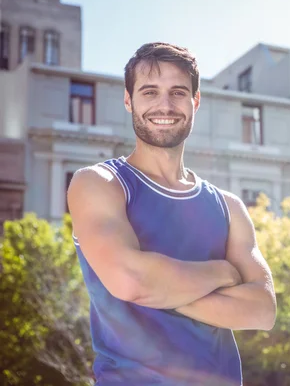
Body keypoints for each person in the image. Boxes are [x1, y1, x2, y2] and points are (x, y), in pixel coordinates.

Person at [67, 42, 277, 386]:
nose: (164, 105)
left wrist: (162, 290)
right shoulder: (99, 183)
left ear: (195, 101)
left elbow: (263, 310)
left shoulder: (229, 206)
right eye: (149, 92)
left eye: (178, 92)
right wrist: (223, 272)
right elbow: (131, 281)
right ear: (128, 100)